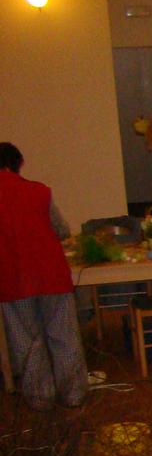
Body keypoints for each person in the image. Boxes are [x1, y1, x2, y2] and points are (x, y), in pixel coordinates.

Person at [0, 143, 88, 412]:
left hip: (13, 279)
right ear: (18, 163)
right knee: (64, 335)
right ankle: (73, 395)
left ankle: (40, 399)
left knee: (27, 342)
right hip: (52, 276)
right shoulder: (39, 191)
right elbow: (61, 230)